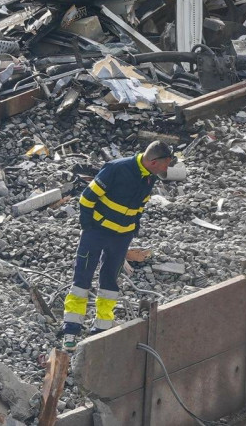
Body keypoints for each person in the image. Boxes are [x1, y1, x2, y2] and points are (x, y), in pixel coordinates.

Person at [61, 140, 174, 350]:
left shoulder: (149, 178)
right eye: (166, 163)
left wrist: (133, 229)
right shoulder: (117, 168)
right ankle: (71, 329)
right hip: (96, 233)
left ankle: (102, 328)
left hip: (121, 238)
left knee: (109, 280)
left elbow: (139, 207)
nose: (168, 168)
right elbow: (86, 199)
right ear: (154, 161)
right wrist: (89, 227)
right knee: (82, 277)